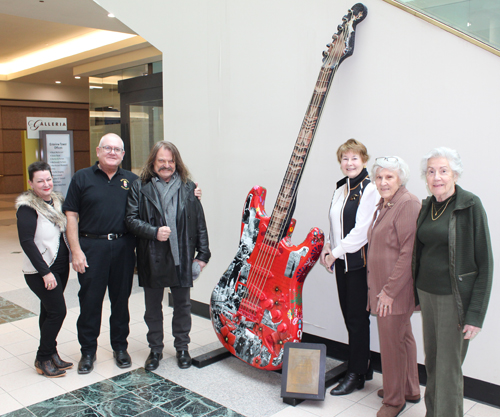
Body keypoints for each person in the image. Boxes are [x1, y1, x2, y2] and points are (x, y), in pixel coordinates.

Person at [413, 147, 493, 417]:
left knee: (448, 368)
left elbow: (486, 264)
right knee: (434, 363)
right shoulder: (428, 205)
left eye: (443, 170)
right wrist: (415, 295)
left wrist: (475, 314)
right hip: (428, 294)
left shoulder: (470, 205)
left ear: (455, 174)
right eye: (431, 171)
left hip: (454, 299)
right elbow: (420, 252)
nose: (437, 176)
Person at [125, 141, 210, 371]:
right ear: (153, 162)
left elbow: (199, 223)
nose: (166, 165)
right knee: (152, 308)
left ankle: (182, 348)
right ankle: (155, 350)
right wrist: (154, 232)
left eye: (170, 161)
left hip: (181, 256)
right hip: (151, 256)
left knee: (182, 306)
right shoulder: (139, 187)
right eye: (161, 161)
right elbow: (131, 220)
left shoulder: (188, 187)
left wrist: (202, 256)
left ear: (176, 163)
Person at [63, 133, 138, 374]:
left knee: (120, 301)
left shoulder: (133, 180)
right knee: (90, 302)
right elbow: (71, 216)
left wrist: (193, 192)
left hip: (123, 247)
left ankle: (120, 347)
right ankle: (87, 352)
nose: (112, 152)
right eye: (108, 148)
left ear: (123, 154)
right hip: (91, 248)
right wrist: (76, 250)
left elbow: (158, 196)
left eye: (117, 149)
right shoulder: (81, 178)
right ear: (98, 151)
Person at [319, 138, 379, 395]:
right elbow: (335, 222)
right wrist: (329, 247)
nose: (349, 163)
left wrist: (337, 252)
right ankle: (363, 367)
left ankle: (355, 374)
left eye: (355, 158)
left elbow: (362, 231)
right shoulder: (341, 187)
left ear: (364, 160)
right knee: (350, 316)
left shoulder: (370, 188)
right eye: (345, 158)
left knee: (356, 319)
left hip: (358, 263)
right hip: (342, 260)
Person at [367, 157, 421, 417]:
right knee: (403, 338)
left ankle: (393, 400)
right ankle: (409, 388)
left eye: (389, 177)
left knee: (391, 344)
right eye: (379, 177)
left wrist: (388, 292)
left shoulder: (407, 203)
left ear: (401, 179)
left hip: (393, 291)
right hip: (385, 288)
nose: (383, 182)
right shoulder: (387, 203)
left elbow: (408, 253)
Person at [16, 161, 72, 378]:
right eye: (40, 181)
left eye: (48, 179)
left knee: (48, 310)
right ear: (31, 183)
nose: (46, 184)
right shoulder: (28, 208)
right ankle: (42, 357)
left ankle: (52, 353)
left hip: (60, 267)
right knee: (58, 311)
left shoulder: (56, 201)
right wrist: (45, 273)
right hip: (40, 271)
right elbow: (27, 242)